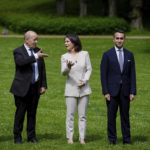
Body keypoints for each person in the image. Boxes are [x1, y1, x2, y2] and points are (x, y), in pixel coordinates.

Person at [10, 31, 48, 144]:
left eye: (37, 39)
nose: (36, 42)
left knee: (32, 113)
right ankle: (17, 137)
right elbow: (21, 62)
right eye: (34, 39)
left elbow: (42, 70)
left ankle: (31, 137)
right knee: (20, 113)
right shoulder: (18, 51)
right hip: (21, 88)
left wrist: (43, 85)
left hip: (35, 88)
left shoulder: (37, 50)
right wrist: (36, 56)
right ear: (27, 40)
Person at [100, 30, 136, 145]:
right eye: (117, 38)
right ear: (113, 39)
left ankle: (127, 139)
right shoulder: (107, 54)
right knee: (111, 117)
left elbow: (132, 74)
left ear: (124, 40)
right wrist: (105, 91)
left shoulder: (129, 55)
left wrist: (132, 91)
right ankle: (112, 139)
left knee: (125, 116)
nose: (119, 40)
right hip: (111, 92)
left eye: (121, 38)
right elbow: (103, 75)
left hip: (125, 91)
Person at [61, 34, 92, 144]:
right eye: (65, 42)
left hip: (84, 90)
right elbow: (63, 73)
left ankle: (82, 138)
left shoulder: (85, 54)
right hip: (70, 90)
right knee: (70, 115)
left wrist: (85, 80)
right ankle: (70, 137)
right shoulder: (64, 56)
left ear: (74, 42)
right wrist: (68, 67)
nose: (66, 43)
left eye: (68, 41)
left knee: (82, 115)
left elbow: (89, 69)